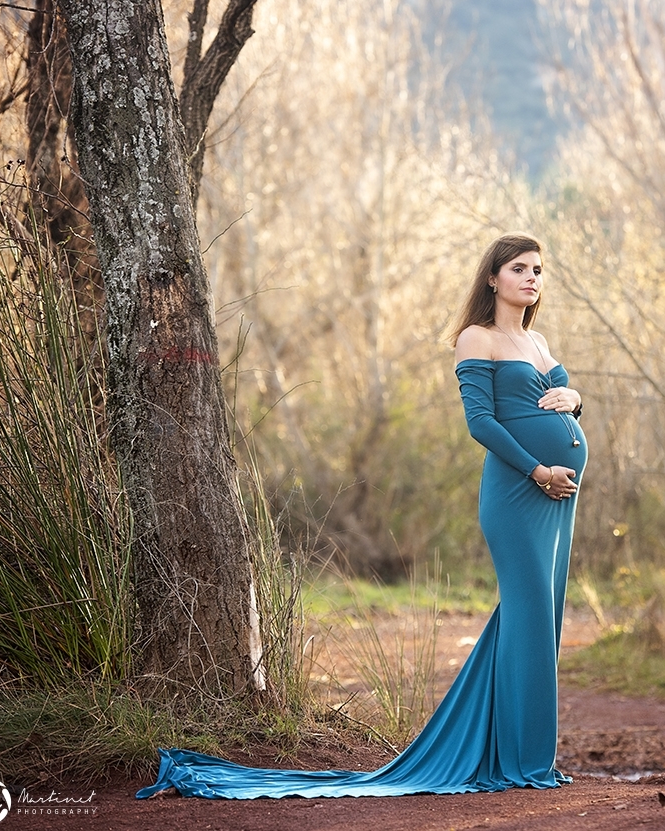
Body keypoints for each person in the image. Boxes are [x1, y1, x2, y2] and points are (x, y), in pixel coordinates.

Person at [136, 232, 587, 799]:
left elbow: (563, 394)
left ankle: (519, 751)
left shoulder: (539, 341)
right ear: (492, 278)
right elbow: (481, 424)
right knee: (528, 615)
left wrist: (575, 401)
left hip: (557, 500)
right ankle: (522, 761)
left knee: (538, 619)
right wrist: (538, 471)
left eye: (538, 270)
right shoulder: (477, 338)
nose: (531, 278)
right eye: (518, 268)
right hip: (520, 496)